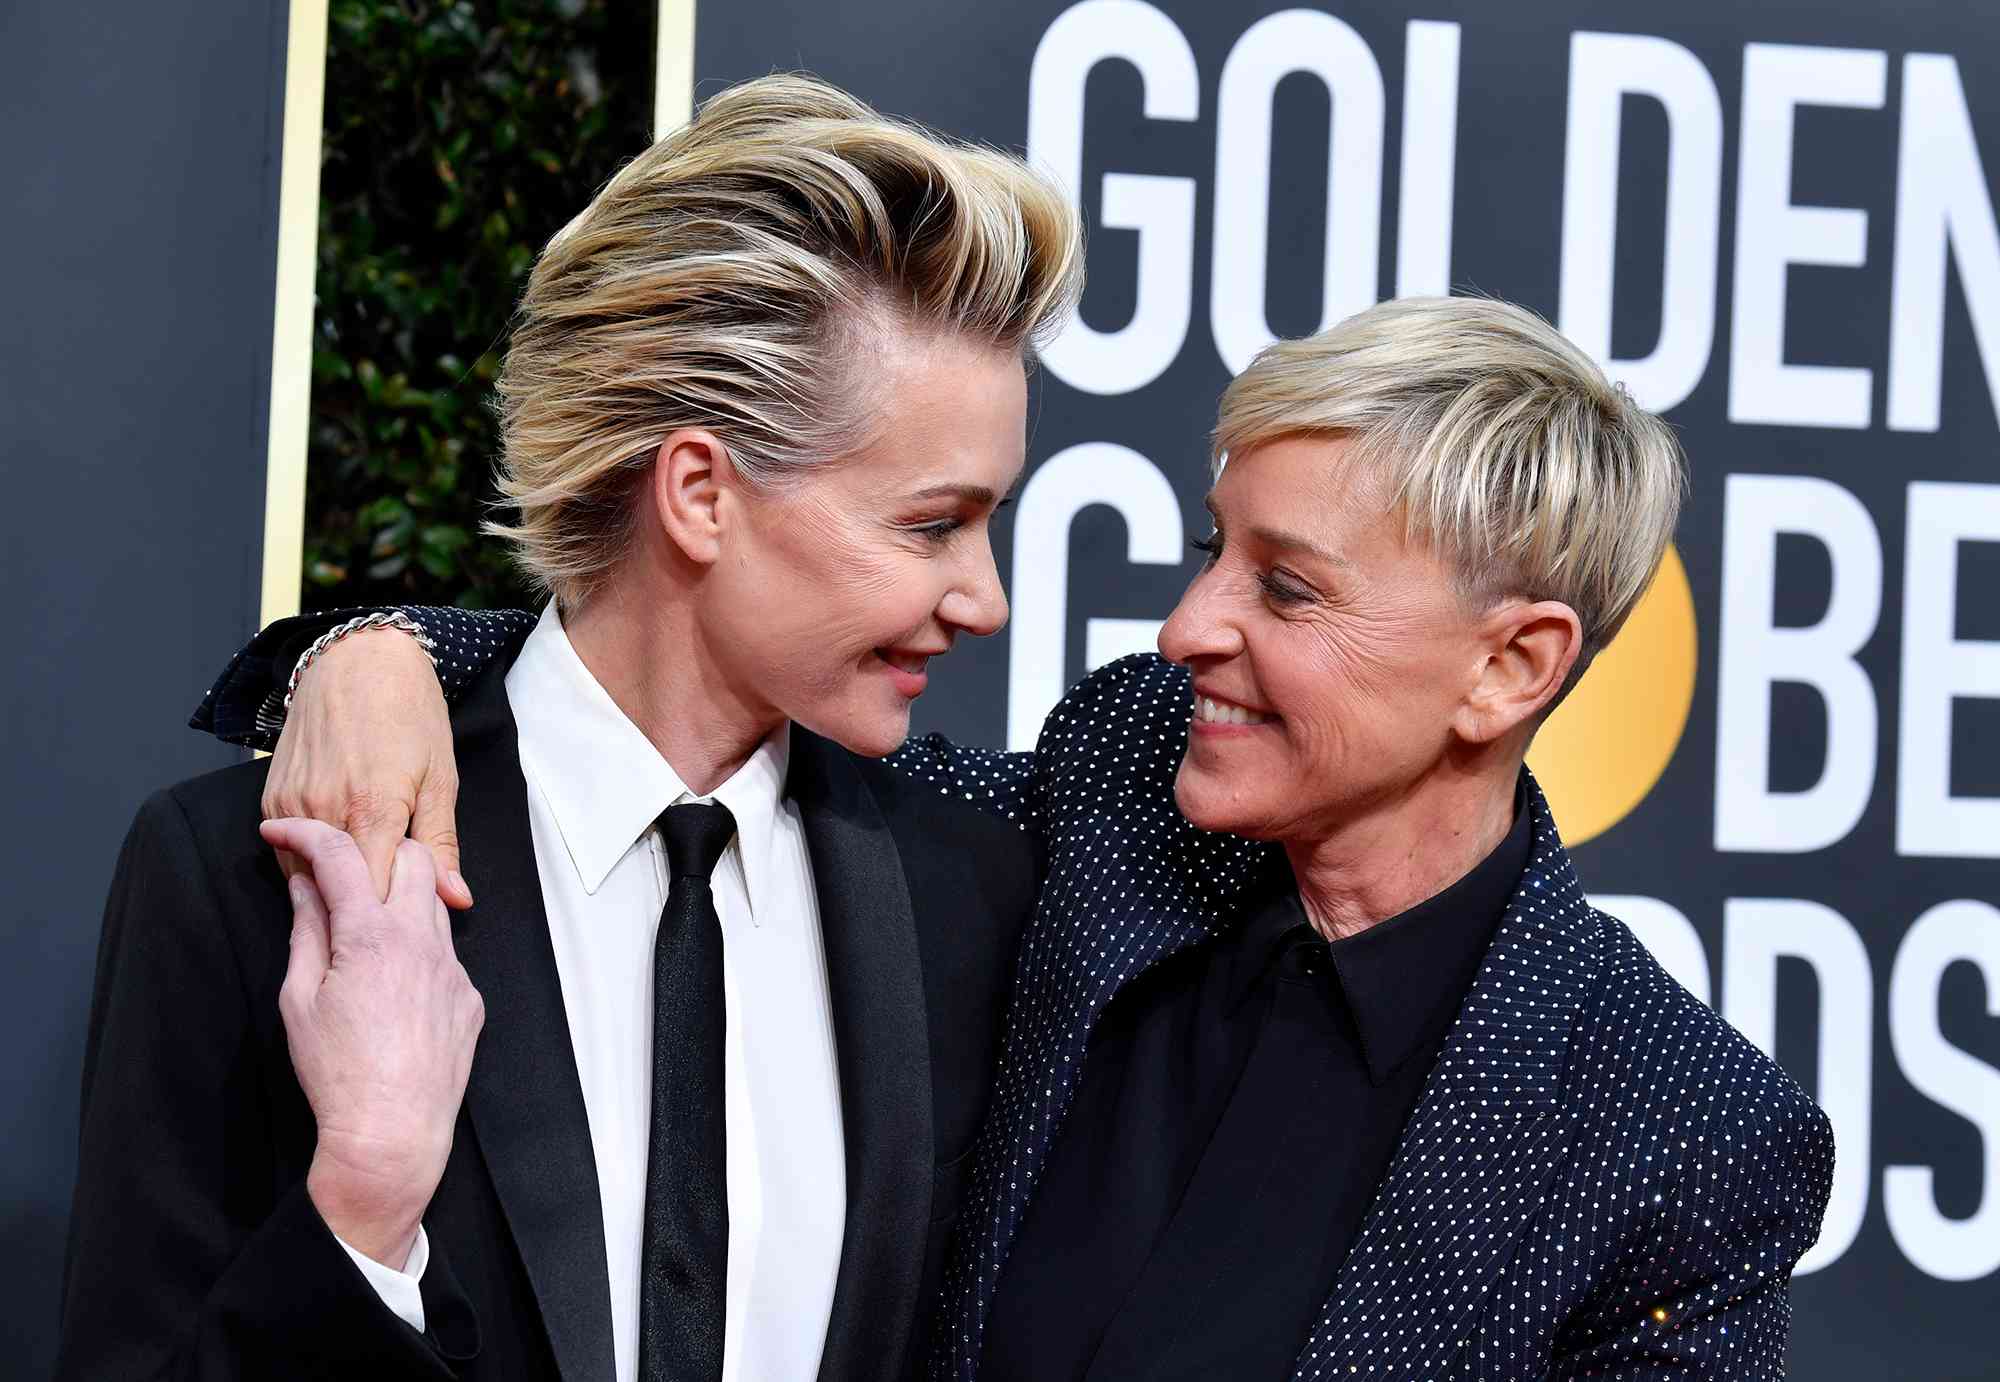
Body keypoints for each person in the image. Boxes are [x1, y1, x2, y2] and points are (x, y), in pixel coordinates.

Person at [179, 298, 1835, 1380]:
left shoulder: (1676, 1138)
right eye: (1213, 549)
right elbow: (707, 710)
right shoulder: (1126, 793)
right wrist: (381, 654)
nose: (1189, 623)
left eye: (1288, 586)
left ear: (1514, 665)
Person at [57, 74, 1080, 1382]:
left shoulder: (971, 895)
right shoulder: (250, 884)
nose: (985, 597)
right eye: (931, 524)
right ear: (702, 491)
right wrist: (363, 1210)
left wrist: (372, 641)